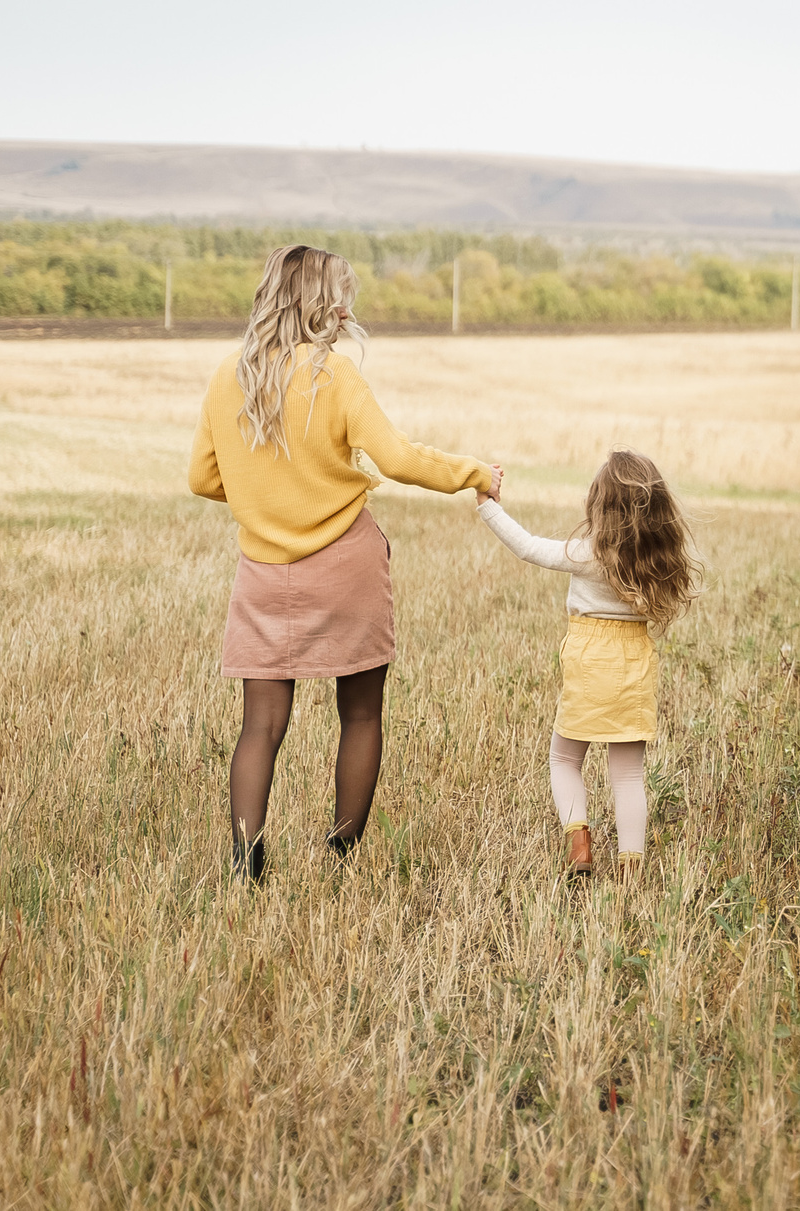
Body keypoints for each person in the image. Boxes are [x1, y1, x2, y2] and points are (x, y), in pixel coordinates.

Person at [189, 244, 499, 880]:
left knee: (260, 727)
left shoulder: (231, 377)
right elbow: (399, 457)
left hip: (263, 573)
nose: (348, 307)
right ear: (318, 302)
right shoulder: (334, 376)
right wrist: (475, 472)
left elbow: (201, 478)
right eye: (341, 293)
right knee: (360, 715)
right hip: (346, 565)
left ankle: (246, 865)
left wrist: (262, 497)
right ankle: (341, 857)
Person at [474, 450, 700, 881]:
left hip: (588, 658)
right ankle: (631, 868)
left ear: (599, 505)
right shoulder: (651, 562)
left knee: (564, 759)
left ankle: (579, 842)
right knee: (629, 774)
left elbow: (526, 546)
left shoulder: (587, 553)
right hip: (634, 660)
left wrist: (487, 504)